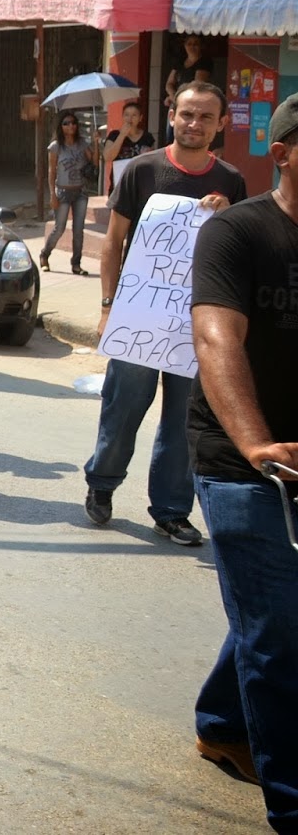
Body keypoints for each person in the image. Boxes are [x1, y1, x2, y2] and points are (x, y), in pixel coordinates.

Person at [188, 92, 298, 829]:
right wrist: (257, 443)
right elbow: (216, 341)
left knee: (272, 613)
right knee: (283, 633)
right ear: (285, 151)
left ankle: (224, 725)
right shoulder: (237, 232)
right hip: (242, 464)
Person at [84, 80, 245, 545]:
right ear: (172, 116)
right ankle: (102, 484)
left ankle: (172, 510)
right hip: (140, 318)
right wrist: (108, 307)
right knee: (123, 408)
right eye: (187, 114)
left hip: (199, 324)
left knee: (185, 421)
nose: (195, 124)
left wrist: (230, 212)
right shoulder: (141, 170)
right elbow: (114, 243)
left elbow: (239, 248)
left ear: (219, 125)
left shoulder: (231, 181)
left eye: (205, 117)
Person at [39, 112, 98, 275]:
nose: (70, 126)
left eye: (73, 123)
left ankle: (76, 264)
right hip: (63, 191)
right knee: (59, 228)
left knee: (78, 230)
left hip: (80, 192)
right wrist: (52, 195)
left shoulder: (83, 144)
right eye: (66, 123)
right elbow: (51, 171)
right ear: (60, 126)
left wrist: (96, 143)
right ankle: (44, 255)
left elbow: (94, 162)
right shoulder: (56, 146)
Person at [103, 99, 156, 190]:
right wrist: (122, 135)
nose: (130, 118)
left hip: (140, 183)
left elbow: (153, 161)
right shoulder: (114, 135)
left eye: (134, 115)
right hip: (120, 183)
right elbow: (107, 157)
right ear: (122, 117)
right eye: (126, 115)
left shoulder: (147, 137)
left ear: (140, 118)